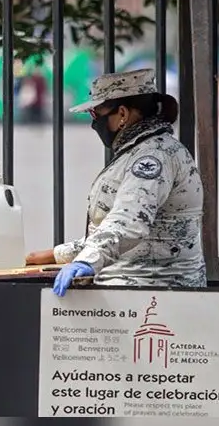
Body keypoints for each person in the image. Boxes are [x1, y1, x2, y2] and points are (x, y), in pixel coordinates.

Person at [24, 68, 206, 296]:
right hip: (134, 286)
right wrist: (57, 254)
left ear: (122, 114)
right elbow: (120, 230)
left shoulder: (152, 156)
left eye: (95, 114)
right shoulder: (140, 150)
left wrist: (87, 261)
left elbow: (129, 222)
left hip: (152, 292)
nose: (94, 124)